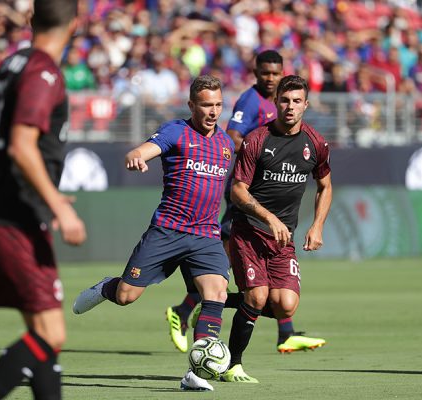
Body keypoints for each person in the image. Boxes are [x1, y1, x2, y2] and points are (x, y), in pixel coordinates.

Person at [72, 75, 234, 392]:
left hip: (205, 236)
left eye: (217, 105)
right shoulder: (176, 130)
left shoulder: (226, 144)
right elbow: (140, 151)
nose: (213, 112)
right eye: (206, 105)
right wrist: (136, 158)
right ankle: (106, 287)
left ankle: (197, 373)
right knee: (126, 296)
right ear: (191, 105)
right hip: (167, 231)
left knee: (216, 293)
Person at [165, 50, 326, 355]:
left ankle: (282, 332)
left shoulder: (282, 105)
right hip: (247, 189)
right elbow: (233, 137)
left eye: (276, 73)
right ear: (256, 73)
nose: (271, 78)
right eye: (266, 73)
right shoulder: (251, 102)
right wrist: (265, 151)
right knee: (228, 256)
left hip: (266, 196)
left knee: (254, 270)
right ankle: (188, 308)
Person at [0, 1, 86, 398]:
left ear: (31, 19)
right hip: (16, 220)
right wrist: (57, 206)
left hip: (3, 211)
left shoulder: (10, 65)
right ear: (76, 24)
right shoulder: (44, 71)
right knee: (50, 334)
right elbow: (21, 146)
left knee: (45, 336)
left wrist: (47, 194)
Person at [221, 75, 332, 383]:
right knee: (257, 298)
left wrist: (318, 225)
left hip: (284, 239)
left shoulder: (316, 143)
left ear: (306, 105)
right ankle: (233, 365)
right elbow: (238, 191)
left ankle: (215, 300)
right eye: (285, 100)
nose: (290, 107)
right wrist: (269, 217)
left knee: (285, 305)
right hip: (249, 230)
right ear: (275, 103)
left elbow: (325, 185)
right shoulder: (257, 139)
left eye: (297, 101)